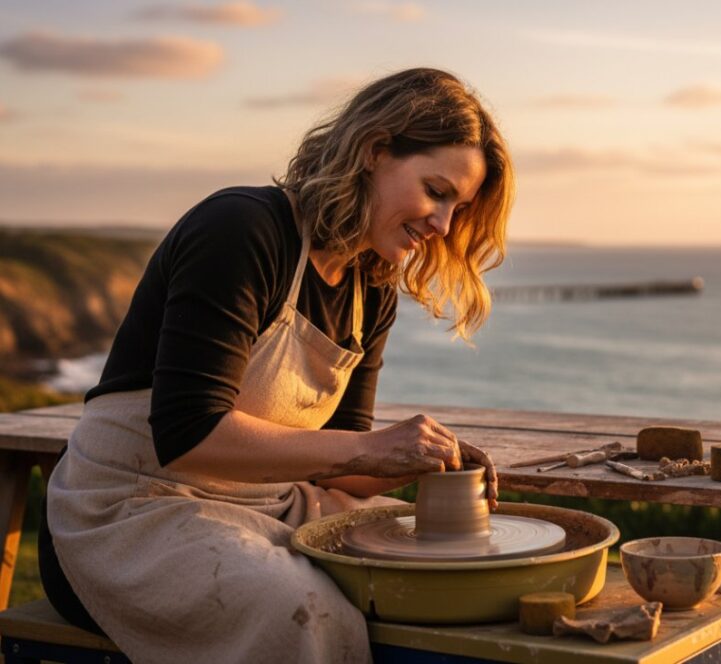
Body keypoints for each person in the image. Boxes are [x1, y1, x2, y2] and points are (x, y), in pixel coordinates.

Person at [38, 67, 514, 662]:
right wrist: (368, 448)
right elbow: (189, 433)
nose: (443, 225)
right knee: (300, 612)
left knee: (445, 569)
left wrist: (419, 462)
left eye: (459, 207)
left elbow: (342, 470)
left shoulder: (373, 289)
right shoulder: (243, 228)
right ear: (375, 151)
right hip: (129, 512)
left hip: (266, 505)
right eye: (436, 191)